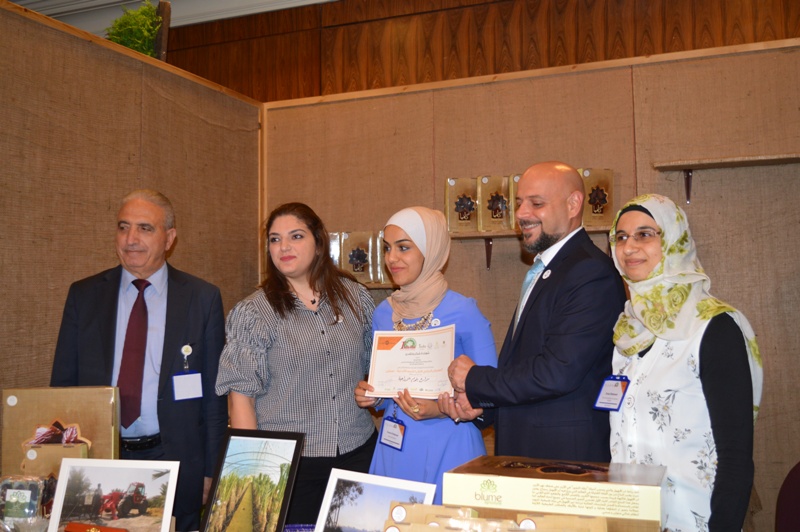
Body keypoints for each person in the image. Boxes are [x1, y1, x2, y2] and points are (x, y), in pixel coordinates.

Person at [50, 189, 228, 531]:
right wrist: (61, 461)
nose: (131, 239)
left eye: (145, 228)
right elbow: (63, 387)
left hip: (176, 458)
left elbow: (214, 399)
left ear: (169, 238)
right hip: (101, 455)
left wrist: (211, 471)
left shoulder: (201, 298)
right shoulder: (84, 296)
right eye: (123, 227)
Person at [445, 161, 626, 461]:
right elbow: (525, 364)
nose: (521, 214)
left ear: (573, 204)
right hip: (532, 453)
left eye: (536, 203)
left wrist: (475, 380)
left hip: (564, 461)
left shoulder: (590, 272)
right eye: (519, 203)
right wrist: (482, 406)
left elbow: (557, 372)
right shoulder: (550, 268)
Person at [607, 194, 763, 531]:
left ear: (674, 241)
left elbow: (736, 456)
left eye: (645, 234)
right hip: (635, 520)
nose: (629, 247)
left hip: (699, 519)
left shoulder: (713, 327)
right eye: (620, 237)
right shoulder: (627, 333)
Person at [215, 202, 377, 524]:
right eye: (275, 239)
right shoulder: (254, 313)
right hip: (290, 465)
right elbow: (241, 400)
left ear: (319, 242)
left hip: (358, 452)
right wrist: (252, 473)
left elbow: (376, 366)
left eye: (296, 236)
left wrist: (374, 389)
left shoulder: (355, 297)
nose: (284, 247)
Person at [354, 206, 497, 504]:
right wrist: (373, 395)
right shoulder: (383, 313)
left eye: (404, 247)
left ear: (430, 250)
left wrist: (440, 409)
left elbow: (491, 392)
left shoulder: (464, 311)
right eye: (387, 248)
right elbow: (389, 386)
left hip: (451, 442)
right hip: (395, 445)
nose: (392, 258)